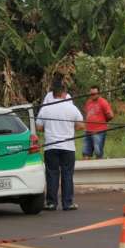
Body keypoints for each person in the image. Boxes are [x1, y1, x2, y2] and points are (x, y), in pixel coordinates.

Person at [36, 81, 84, 211]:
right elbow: (81, 125)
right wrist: (69, 127)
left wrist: (49, 128)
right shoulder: (71, 108)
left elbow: (39, 127)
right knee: (67, 174)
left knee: (52, 174)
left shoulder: (46, 108)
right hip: (68, 147)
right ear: (64, 93)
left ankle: (51, 203)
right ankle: (68, 203)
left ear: (52, 94)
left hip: (51, 146)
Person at [82, 86, 114, 160]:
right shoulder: (88, 102)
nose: (92, 95)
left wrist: (103, 122)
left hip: (99, 131)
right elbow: (86, 113)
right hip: (88, 130)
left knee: (98, 153)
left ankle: (100, 169)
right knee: (85, 152)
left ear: (99, 93)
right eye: (91, 94)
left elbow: (111, 115)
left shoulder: (103, 102)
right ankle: (87, 169)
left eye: (94, 94)